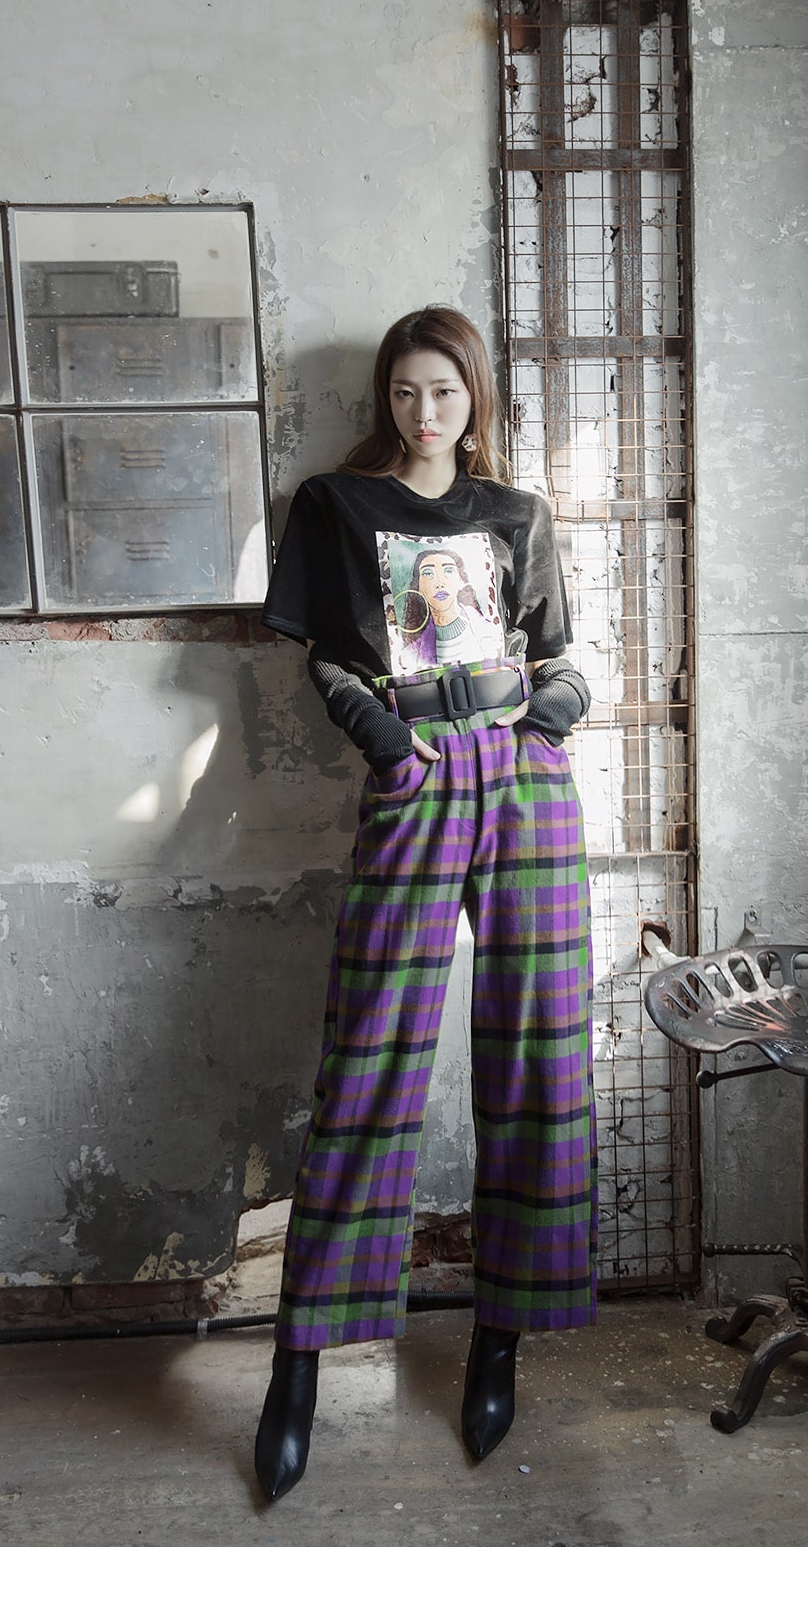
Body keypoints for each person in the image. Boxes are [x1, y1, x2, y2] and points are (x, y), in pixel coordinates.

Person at [255, 306, 596, 1501]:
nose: (424, 412)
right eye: (404, 392)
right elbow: (325, 656)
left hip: (526, 781)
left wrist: (548, 727)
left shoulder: (517, 514)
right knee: (371, 1059)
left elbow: (557, 654)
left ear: (474, 395)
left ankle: (500, 1338)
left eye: (443, 391)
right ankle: (299, 1360)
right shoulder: (339, 507)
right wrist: (391, 748)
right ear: (384, 399)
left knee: (539, 1050)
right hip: (416, 774)